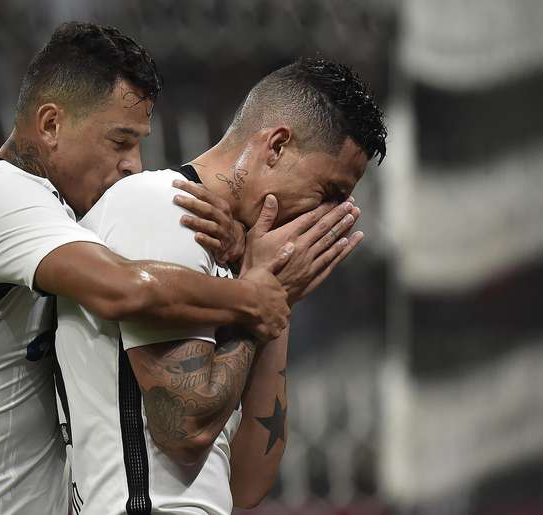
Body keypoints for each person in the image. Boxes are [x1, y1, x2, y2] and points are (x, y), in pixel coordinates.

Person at [0, 22, 333, 515]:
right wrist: (255, 294)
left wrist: (241, 252)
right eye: (120, 142)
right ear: (51, 124)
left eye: (138, 143)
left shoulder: (64, 222)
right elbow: (125, 288)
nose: (134, 165)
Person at [55, 56, 387, 514]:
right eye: (328, 193)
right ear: (276, 146)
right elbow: (184, 428)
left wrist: (272, 305)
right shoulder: (164, 208)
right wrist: (259, 305)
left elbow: (248, 482)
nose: (325, 218)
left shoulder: (242, 270)